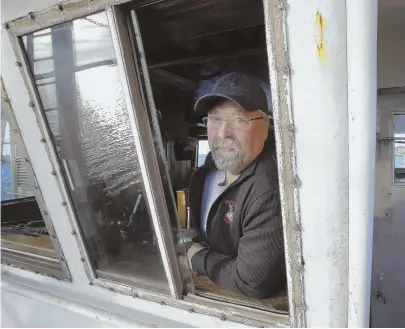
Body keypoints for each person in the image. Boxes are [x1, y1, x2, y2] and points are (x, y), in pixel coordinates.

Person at [186, 72, 286, 299]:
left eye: (239, 120)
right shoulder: (213, 163)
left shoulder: (269, 190)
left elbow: (252, 283)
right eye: (215, 119)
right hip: (212, 287)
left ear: (264, 126)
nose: (223, 133)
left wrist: (196, 257)